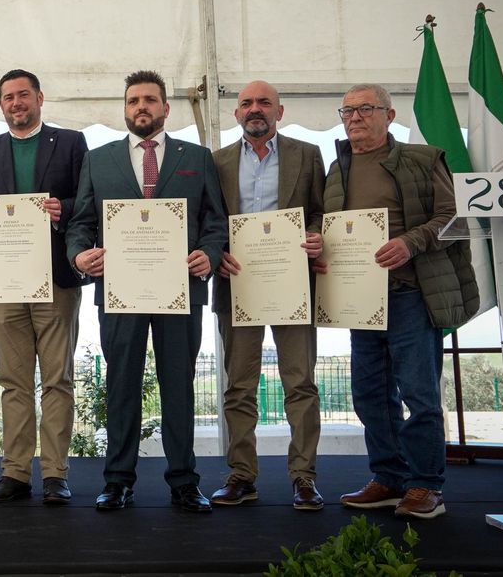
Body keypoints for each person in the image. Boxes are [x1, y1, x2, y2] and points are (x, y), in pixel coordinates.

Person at [67, 70, 227, 514]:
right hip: (119, 292)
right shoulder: (99, 160)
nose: (142, 107)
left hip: (181, 292)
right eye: (134, 100)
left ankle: (183, 481)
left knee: (179, 386)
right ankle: (117, 480)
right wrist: (80, 256)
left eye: (150, 100)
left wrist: (209, 255)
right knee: (120, 386)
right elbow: (81, 223)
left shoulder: (197, 157)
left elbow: (215, 221)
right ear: (124, 108)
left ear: (165, 108)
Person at [326, 84, 477, 520]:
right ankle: (389, 479)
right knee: (370, 395)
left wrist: (410, 243)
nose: (354, 117)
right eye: (347, 109)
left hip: (413, 295)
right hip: (361, 299)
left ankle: (427, 486)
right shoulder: (338, 168)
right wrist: (319, 243)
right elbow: (330, 223)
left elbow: (454, 217)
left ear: (389, 115)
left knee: (419, 395)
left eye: (365, 109)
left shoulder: (423, 159)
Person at [0, 69, 87, 505]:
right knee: (13, 382)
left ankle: (55, 473)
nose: (16, 103)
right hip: (4, 282)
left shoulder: (71, 143)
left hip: (56, 278)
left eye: (23, 95)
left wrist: (63, 207)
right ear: (0, 105)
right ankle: (15, 473)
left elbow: (86, 202)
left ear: (39, 98)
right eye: (8, 97)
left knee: (58, 380)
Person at [209, 81, 327, 510]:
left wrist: (315, 234)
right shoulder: (217, 161)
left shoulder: (307, 155)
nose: (254, 109)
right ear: (236, 113)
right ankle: (242, 474)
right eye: (246, 103)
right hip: (235, 281)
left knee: (301, 383)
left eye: (263, 103)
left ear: (280, 110)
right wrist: (215, 250)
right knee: (239, 386)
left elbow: (319, 211)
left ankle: (304, 477)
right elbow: (210, 220)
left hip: (292, 282)